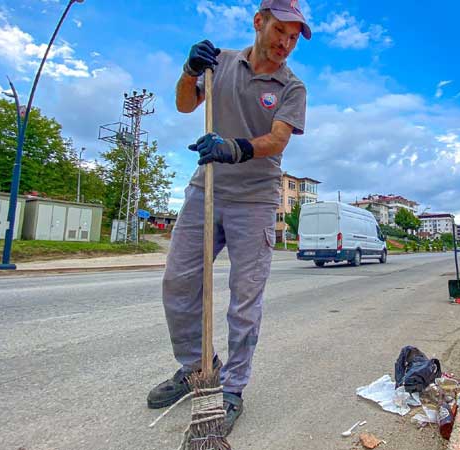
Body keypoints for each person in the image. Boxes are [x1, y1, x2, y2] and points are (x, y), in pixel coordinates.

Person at [147, 0, 310, 437]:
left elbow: (277, 142)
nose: (286, 43)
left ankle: (232, 388)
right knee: (179, 282)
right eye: (281, 31)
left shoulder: (292, 87)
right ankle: (196, 368)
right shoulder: (218, 63)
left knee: (244, 300)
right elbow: (185, 105)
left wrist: (234, 148)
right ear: (259, 22)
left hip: (255, 199)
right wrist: (188, 69)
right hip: (208, 189)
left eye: (294, 38)